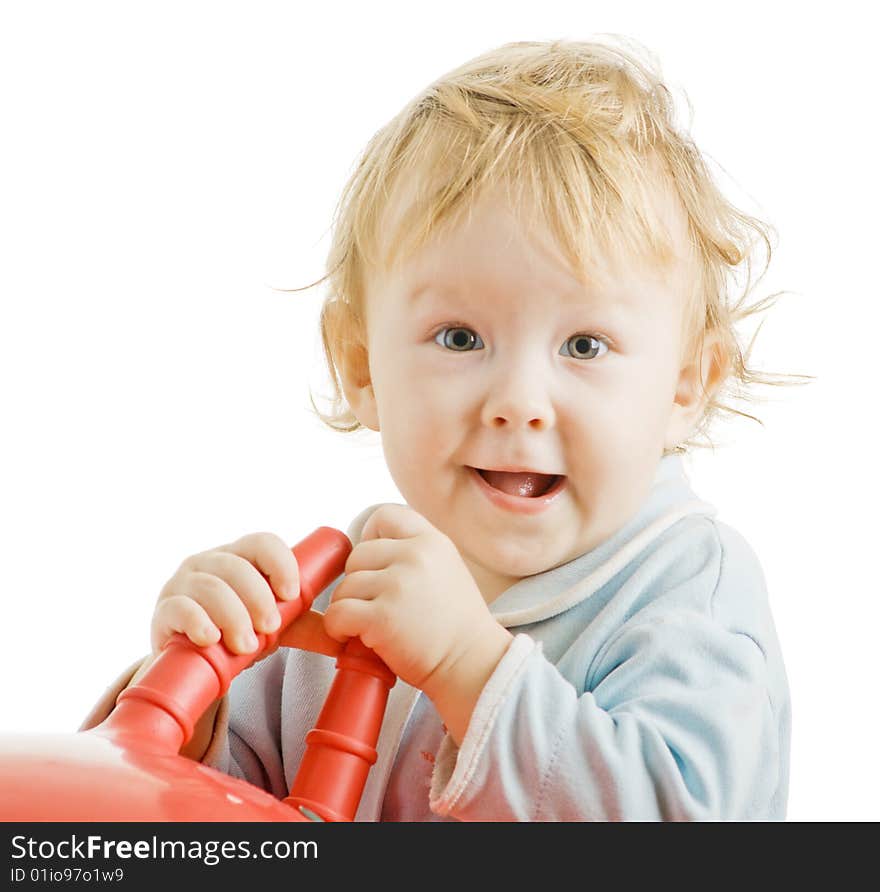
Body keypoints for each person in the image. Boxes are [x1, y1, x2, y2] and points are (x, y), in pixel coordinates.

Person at [83, 36, 798, 820]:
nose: (519, 401)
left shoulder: (687, 589)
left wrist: (469, 665)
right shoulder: (338, 597)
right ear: (360, 366)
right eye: (460, 338)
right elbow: (233, 826)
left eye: (585, 346)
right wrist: (189, 719)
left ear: (685, 385)